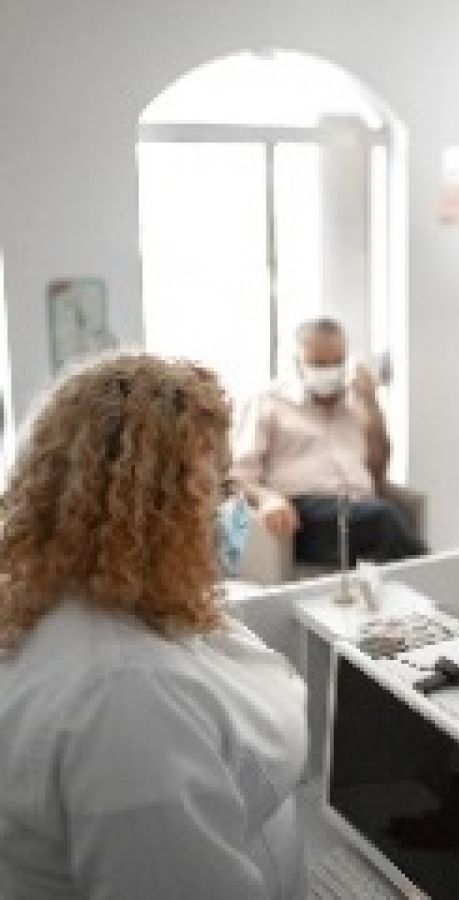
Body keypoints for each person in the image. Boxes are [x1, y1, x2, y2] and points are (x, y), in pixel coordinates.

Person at [0, 354, 307, 897]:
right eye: (216, 492)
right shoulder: (126, 696)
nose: (226, 512)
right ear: (161, 509)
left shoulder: (57, 604)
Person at [232, 317, 427, 568]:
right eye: (319, 364)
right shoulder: (267, 402)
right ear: (298, 363)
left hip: (360, 510)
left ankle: (417, 592)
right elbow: (239, 476)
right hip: (302, 514)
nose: (329, 371)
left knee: (383, 519)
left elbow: (378, 473)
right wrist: (267, 498)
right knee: (384, 519)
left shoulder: (358, 402)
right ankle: (441, 586)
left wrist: (372, 404)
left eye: (337, 362)